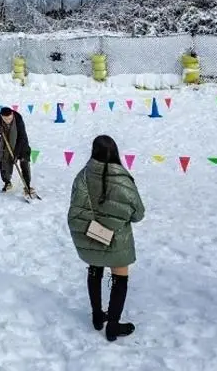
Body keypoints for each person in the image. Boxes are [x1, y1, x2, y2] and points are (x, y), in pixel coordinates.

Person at [67, 135, 145, 342]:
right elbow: (138, 214)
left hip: (91, 236)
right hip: (117, 241)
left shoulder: (82, 176)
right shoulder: (123, 179)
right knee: (120, 280)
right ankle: (113, 326)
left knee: (94, 271)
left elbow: (75, 208)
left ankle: (96, 316)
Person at [0, 107, 33, 195]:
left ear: (12, 114)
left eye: (10, 118)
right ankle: (7, 182)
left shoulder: (18, 119)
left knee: (25, 163)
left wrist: (15, 154)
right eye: (6, 119)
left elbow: (22, 137)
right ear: (2, 117)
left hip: (21, 144)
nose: (8, 120)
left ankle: (27, 186)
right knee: (4, 162)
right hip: (6, 143)